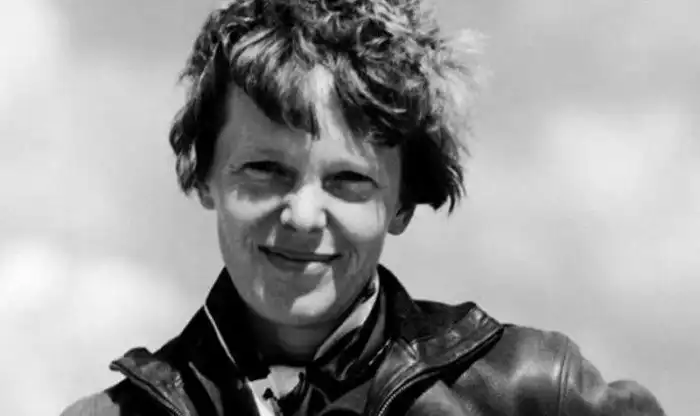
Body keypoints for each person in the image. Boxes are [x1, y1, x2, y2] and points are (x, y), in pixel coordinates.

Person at [61, 0, 666, 415]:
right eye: (265, 169)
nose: (303, 216)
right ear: (203, 175)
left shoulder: (534, 392)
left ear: (402, 203)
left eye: (349, 179)